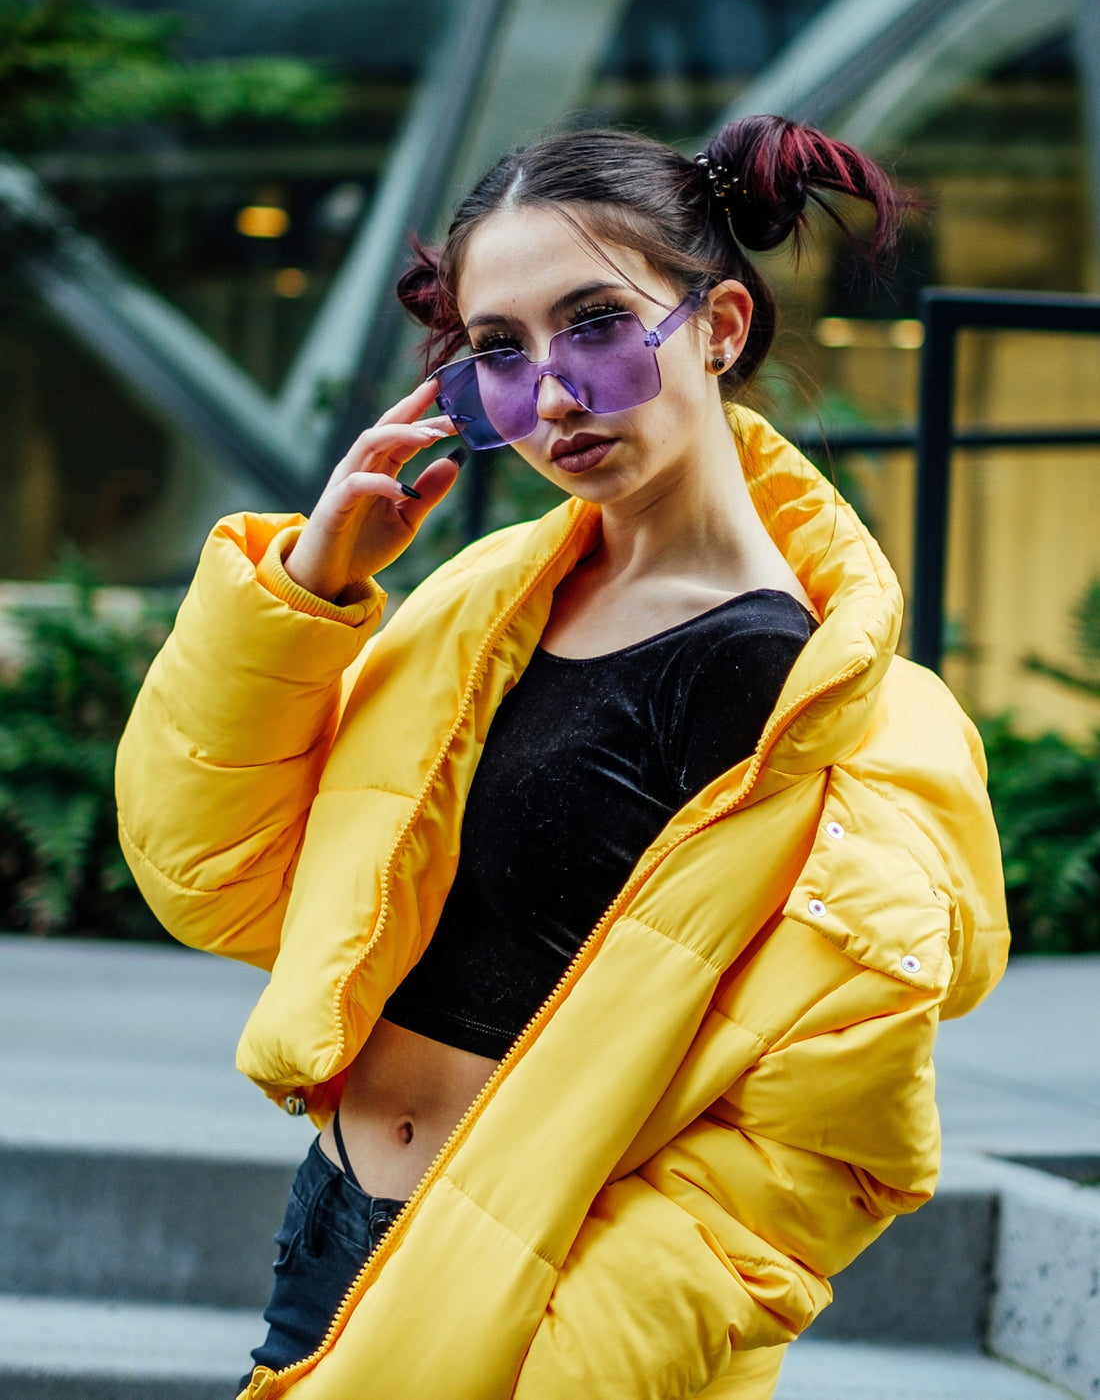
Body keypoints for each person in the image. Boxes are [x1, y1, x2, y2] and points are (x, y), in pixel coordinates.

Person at [115, 116, 1008, 1400]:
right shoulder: (491, 598)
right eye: (499, 351)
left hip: (524, 1314)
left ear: (717, 328)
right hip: (335, 1232)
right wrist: (309, 590)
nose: (551, 394)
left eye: (596, 324)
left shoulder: (778, 677)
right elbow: (215, 873)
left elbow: (815, 1140)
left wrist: (571, 1361)